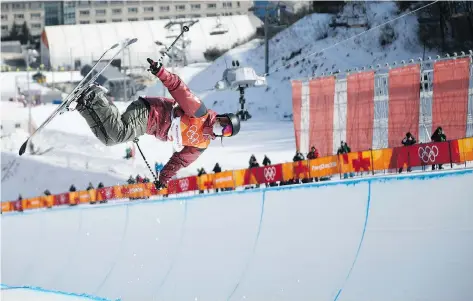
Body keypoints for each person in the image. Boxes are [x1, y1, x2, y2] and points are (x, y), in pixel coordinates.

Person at [75, 58, 241, 189]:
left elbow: (179, 161)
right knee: (120, 133)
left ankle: (85, 105)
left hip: (148, 125)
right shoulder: (199, 113)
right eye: (224, 123)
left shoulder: (200, 144)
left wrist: (163, 179)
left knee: (109, 139)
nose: (222, 128)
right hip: (150, 111)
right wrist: (161, 72)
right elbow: (179, 89)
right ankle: (95, 96)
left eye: (226, 131)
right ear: (221, 117)